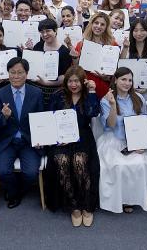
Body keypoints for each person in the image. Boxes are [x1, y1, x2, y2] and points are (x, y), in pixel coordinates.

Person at [44, 66, 100, 227]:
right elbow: (50, 119)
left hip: (83, 136)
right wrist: (56, 138)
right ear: (66, 82)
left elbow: (92, 112)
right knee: (61, 160)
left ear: (83, 82)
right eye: (70, 81)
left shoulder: (87, 95)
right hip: (60, 137)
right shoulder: (58, 96)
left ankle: (87, 205)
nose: (73, 84)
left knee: (79, 161)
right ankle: (74, 205)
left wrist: (91, 91)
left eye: (76, 81)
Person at [97, 67, 147, 213]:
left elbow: (144, 123)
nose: (127, 83)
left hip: (135, 140)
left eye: (130, 80)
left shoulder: (138, 98)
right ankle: (118, 200)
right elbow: (110, 125)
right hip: (113, 139)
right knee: (117, 165)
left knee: (140, 164)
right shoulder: (106, 99)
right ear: (115, 80)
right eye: (123, 79)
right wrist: (112, 105)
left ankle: (131, 199)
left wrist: (141, 144)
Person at [0, 57, 45, 208]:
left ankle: (17, 191)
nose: (16, 76)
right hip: (7, 141)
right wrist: (4, 117)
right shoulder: (0, 93)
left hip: (29, 141)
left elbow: (41, 120)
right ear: (8, 73)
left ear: (26, 74)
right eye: (12, 72)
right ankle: (14, 192)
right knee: (2, 171)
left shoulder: (37, 93)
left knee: (30, 174)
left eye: (19, 72)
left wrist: (41, 138)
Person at [71, 12, 117, 98]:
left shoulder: (113, 45)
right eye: (96, 23)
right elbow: (75, 69)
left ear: (106, 27)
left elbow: (116, 71)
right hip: (85, 87)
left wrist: (106, 78)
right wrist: (74, 57)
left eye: (102, 24)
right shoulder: (81, 44)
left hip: (104, 90)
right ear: (91, 24)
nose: (98, 26)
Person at [30, 18, 73, 103]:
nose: (45, 34)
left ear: (56, 30)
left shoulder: (64, 51)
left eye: (48, 31)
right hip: (35, 89)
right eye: (42, 32)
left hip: (55, 92)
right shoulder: (38, 46)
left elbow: (64, 76)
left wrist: (46, 82)